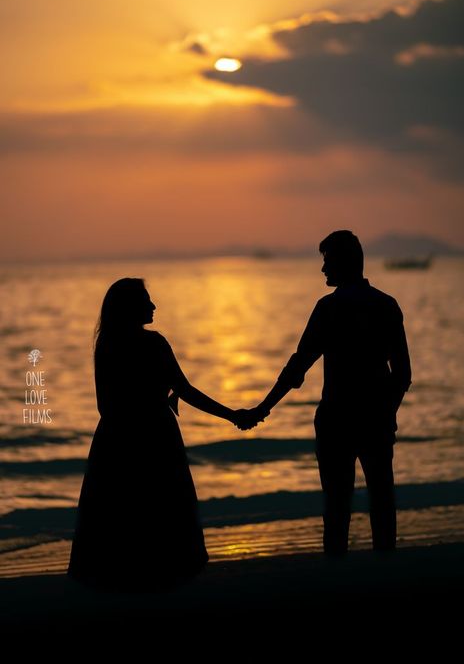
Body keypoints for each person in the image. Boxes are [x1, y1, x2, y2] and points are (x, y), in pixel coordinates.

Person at [68, 277, 260, 592]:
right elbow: (186, 390)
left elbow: (106, 405)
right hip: (156, 435)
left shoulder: (107, 344)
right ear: (131, 307)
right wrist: (232, 415)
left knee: (121, 514)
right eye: (146, 300)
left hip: (115, 438)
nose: (153, 305)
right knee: (161, 509)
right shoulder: (153, 343)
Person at [243, 230, 411, 555]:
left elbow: (297, 368)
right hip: (375, 419)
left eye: (327, 261)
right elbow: (402, 375)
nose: (323, 269)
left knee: (336, 506)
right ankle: (387, 572)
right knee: (381, 500)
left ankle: (336, 573)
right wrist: (386, 412)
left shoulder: (329, 309)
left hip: (336, 421)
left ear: (344, 263)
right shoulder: (386, 306)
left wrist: (261, 409)